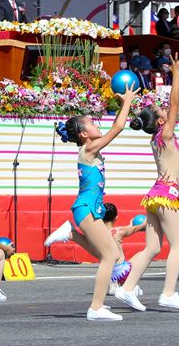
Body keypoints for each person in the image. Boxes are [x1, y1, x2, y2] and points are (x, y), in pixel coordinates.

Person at [44, 83, 140, 321]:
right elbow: (117, 127)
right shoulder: (89, 148)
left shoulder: (90, 149)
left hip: (88, 209)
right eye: (93, 124)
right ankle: (96, 307)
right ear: (85, 134)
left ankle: (71, 234)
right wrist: (127, 101)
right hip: (85, 209)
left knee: (107, 254)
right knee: (109, 256)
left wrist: (122, 106)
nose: (98, 125)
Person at [117, 54, 179, 311]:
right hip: (166, 195)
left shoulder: (158, 137)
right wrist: (175, 76)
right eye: (163, 112)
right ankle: (168, 293)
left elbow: (174, 105)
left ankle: (127, 287)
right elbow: (174, 104)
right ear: (162, 122)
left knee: (152, 247)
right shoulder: (166, 133)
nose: (166, 109)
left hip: (155, 195)